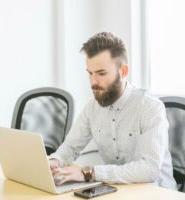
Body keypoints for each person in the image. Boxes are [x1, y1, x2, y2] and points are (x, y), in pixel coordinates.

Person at [49, 32, 177, 190]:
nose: (93, 82)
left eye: (101, 73)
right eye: (90, 73)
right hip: (118, 191)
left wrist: (88, 172)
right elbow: (70, 147)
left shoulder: (150, 107)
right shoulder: (92, 108)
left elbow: (149, 169)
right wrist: (53, 162)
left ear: (123, 71)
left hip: (157, 193)